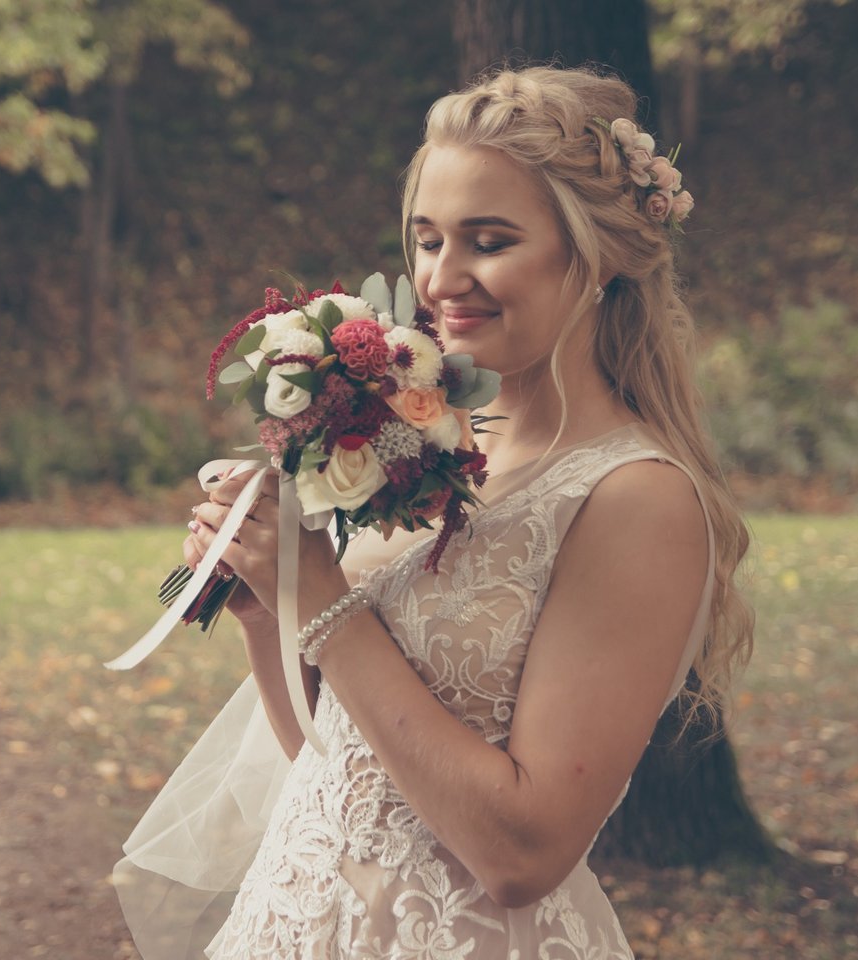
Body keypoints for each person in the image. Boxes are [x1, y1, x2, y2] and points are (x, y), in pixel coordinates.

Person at [113, 64, 755, 959]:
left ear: (597, 254)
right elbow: (341, 770)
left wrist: (326, 599)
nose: (442, 279)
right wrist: (273, 606)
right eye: (426, 240)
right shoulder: (427, 446)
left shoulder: (634, 498)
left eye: (488, 240)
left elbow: (521, 855)